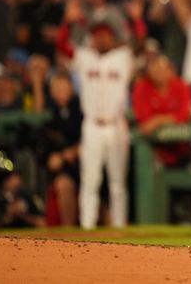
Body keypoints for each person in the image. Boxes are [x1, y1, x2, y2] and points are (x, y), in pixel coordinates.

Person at [56, 16, 135, 229]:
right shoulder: (85, 57)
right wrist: (68, 23)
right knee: (90, 181)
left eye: (105, 36)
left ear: (112, 38)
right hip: (91, 125)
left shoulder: (123, 57)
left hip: (116, 124)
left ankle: (119, 228)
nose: (101, 39)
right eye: (97, 35)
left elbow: (140, 41)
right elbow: (62, 46)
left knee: (117, 183)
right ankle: (87, 227)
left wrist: (135, 18)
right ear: (92, 38)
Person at [132, 55, 191, 167]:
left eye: (163, 69)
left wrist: (158, 120)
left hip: (179, 148)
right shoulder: (142, 87)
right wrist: (170, 119)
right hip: (152, 147)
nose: (159, 72)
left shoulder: (182, 87)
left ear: (171, 71)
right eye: (155, 68)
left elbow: (184, 115)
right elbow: (144, 120)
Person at [40, 69, 82, 227]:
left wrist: (66, 155)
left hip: (85, 165)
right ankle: (67, 233)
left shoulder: (81, 107)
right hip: (67, 168)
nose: (59, 93)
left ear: (71, 87)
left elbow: (87, 141)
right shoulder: (53, 112)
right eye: (56, 89)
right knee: (62, 184)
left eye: (63, 88)